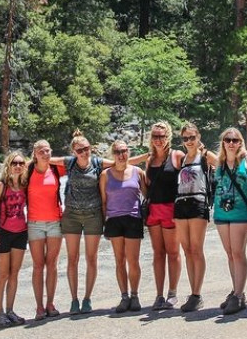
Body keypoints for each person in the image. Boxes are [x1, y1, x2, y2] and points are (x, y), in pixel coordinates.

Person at [51, 129, 109, 314]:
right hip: (72, 216)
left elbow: (120, 162)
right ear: (73, 152)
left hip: (93, 215)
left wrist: (147, 157)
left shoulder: (98, 163)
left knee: (91, 258)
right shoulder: (69, 163)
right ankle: (74, 299)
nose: (84, 152)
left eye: (86, 148)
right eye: (79, 150)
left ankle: (87, 299)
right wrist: (22, 161)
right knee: (72, 259)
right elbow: (46, 159)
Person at [174, 122, 218, 312]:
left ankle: (197, 294)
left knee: (197, 249)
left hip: (198, 203)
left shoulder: (205, 156)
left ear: (198, 137)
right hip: (181, 204)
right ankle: (193, 293)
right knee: (187, 250)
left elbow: (223, 164)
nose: (189, 141)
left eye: (192, 137)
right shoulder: (182, 159)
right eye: (186, 138)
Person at [100, 139, 147, 313]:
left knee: (133, 260)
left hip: (133, 218)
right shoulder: (105, 175)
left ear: (129, 152)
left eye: (124, 151)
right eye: (118, 152)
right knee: (119, 260)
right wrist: (103, 223)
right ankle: (124, 296)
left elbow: (146, 196)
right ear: (113, 154)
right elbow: (103, 202)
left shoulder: (137, 172)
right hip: (114, 220)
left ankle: (135, 295)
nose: (121, 155)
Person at [144, 121, 185, 310]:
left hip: (171, 209)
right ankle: (159, 295)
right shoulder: (150, 160)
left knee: (173, 252)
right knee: (158, 253)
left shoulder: (177, 156)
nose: (158, 139)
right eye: (155, 136)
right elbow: (147, 186)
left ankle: (172, 293)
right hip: (154, 210)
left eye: (161, 136)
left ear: (168, 136)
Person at [213, 127, 247, 315]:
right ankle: (236, 290)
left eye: (235, 140)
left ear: (240, 143)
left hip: (240, 213)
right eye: (227, 140)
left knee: (238, 253)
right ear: (223, 143)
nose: (231, 143)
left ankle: (238, 295)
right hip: (221, 213)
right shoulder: (218, 163)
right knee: (230, 254)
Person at [26, 139, 63, 320]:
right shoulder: (27, 170)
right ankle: (39, 306)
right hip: (34, 223)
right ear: (34, 153)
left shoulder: (56, 169)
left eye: (47, 151)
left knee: (52, 265)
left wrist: (53, 160)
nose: (44, 154)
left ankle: (50, 303)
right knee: (38, 266)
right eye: (41, 151)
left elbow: (75, 162)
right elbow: (10, 176)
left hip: (55, 222)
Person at [0, 151, 29, 328]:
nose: (18, 166)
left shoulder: (24, 185)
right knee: (3, 274)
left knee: (14, 273)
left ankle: (10, 310)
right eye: (15, 163)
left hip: (21, 233)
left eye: (21, 163)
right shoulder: (2, 185)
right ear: (9, 165)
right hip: (4, 232)